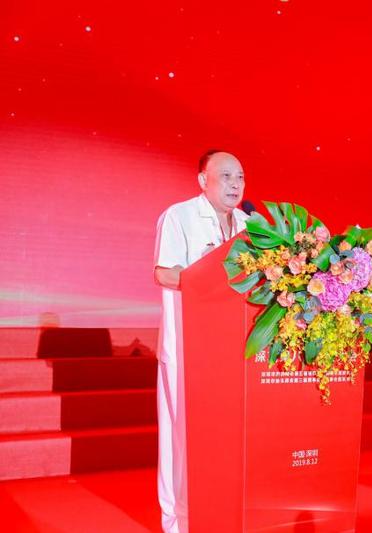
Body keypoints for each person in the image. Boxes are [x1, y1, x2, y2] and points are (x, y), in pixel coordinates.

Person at [153, 150, 249, 533]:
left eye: (240, 176)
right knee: (180, 439)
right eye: (225, 176)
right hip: (186, 348)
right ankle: (177, 523)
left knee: (223, 440)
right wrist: (211, 279)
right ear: (202, 180)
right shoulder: (179, 216)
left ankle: (219, 516)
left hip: (231, 351)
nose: (235, 184)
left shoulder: (250, 226)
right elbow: (164, 273)